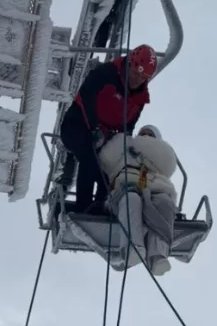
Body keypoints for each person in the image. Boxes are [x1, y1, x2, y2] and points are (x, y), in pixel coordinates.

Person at [57, 44, 158, 213]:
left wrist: (126, 148)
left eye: (142, 78)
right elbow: (87, 99)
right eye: (135, 73)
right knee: (89, 160)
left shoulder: (140, 99)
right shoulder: (105, 74)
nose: (137, 80)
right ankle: (84, 207)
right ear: (130, 64)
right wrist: (94, 127)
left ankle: (101, 205)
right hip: (77, 126)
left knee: (108, 172)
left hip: (103, 136)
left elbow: (129, 126)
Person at [97, 124, 179, 276]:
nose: (146, 136)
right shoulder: (125, 148)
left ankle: (157, 256)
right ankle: (133, 247)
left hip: (154, 190)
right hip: (125, 189)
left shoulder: (160, 158)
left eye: (150, 134)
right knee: (131, 199)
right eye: (143, 133)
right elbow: (106, 159)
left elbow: (167, 167)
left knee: (163, 204)